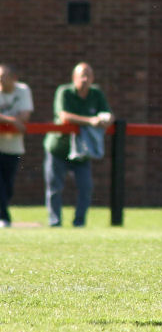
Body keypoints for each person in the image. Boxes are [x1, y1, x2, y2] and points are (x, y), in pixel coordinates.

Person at [44, 62, 114, 227]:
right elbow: (64, 116)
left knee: (86, 187)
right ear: (74, 78)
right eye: (81, 75)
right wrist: (91, 121)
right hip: (59, 147)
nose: (85, 79)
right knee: (55, 187)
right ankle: (55, 223)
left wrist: (106, 119)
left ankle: (79, 222)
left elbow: (109, 114)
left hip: (82, 149)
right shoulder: (64, 92)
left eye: (88, 75)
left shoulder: (96, 93)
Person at [0, 64, 34, 228]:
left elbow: (25, 116)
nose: (0, 79)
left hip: (13, 146)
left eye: (3, 76)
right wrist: (12, 120)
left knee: (8, 186)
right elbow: (18, 119)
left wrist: (13, 120)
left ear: (13, 78)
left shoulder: (22, 91)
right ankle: (4, 218)